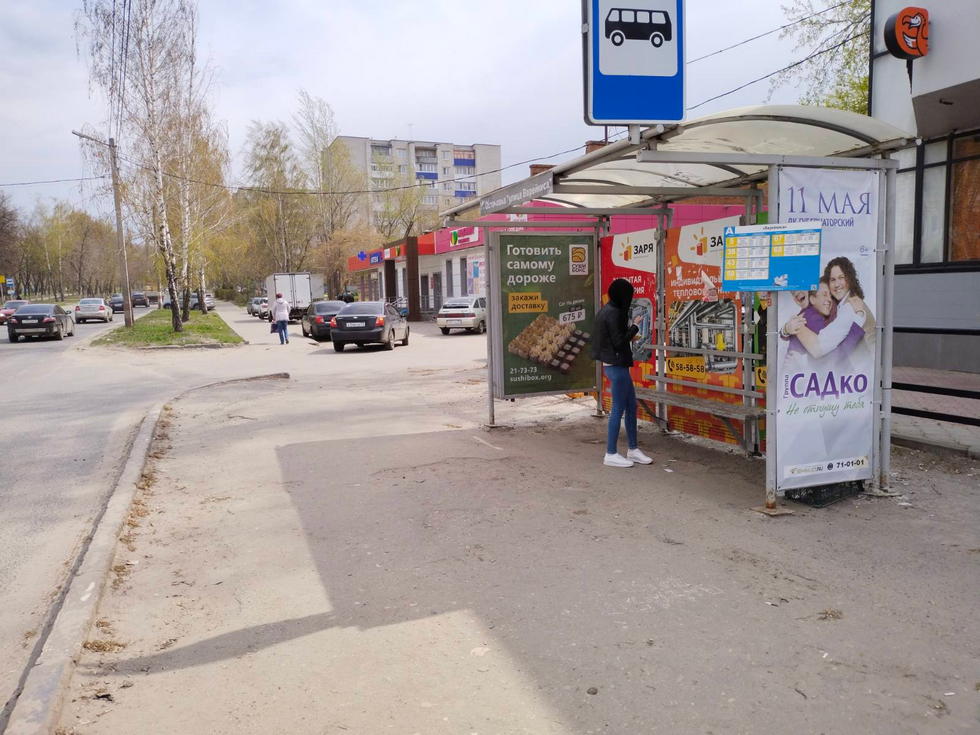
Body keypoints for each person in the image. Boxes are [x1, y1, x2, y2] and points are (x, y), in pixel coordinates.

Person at [592, 278, 654, 468]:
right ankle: (610, 453)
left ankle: (633, 450)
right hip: (616, 366)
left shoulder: (606, 310)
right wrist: (635, 326)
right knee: (618, 408)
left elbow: (611, 339)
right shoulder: (615, 313)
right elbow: (619, 342)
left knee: (630, 406)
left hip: (614, 364)